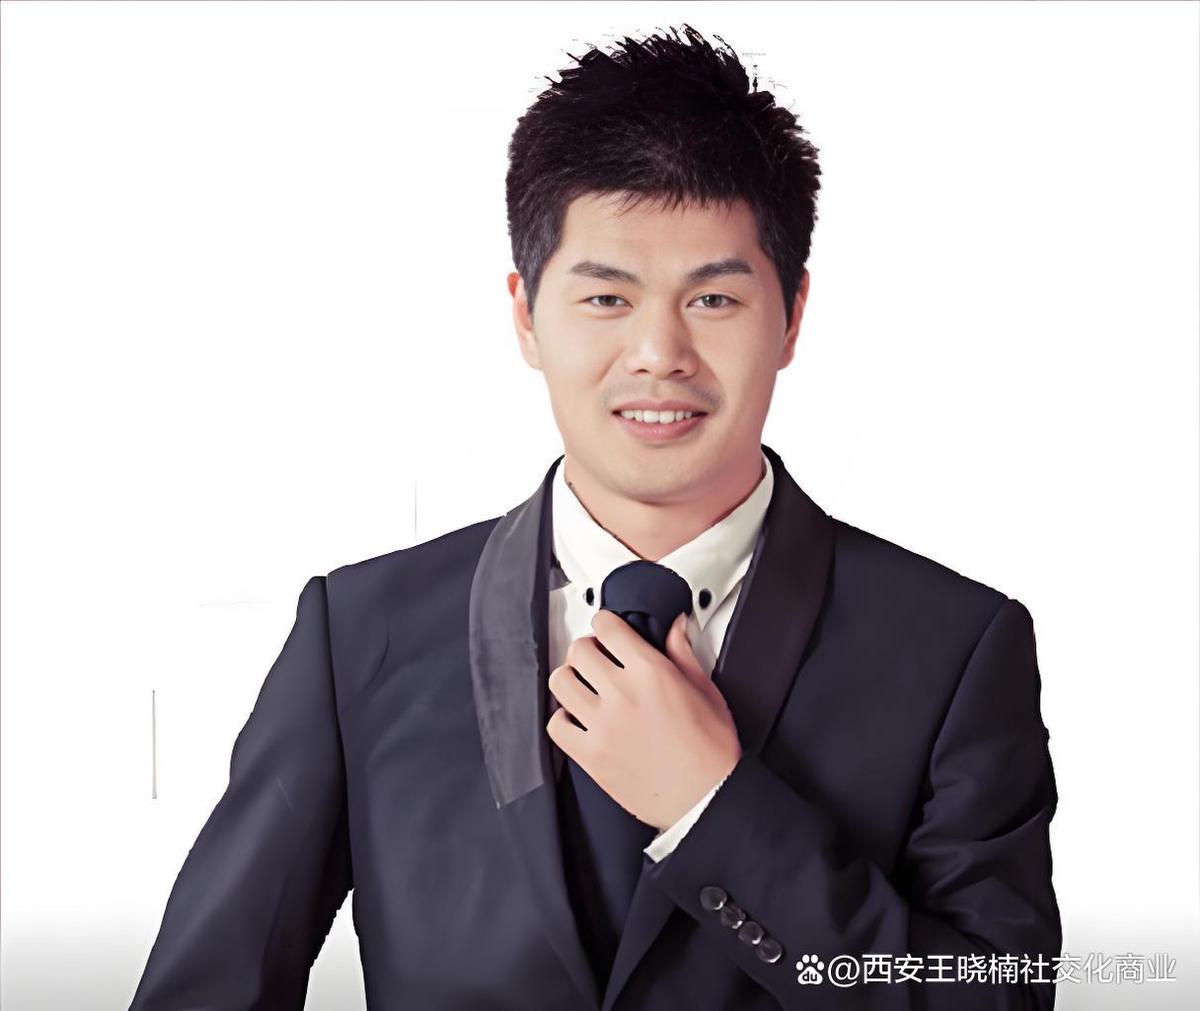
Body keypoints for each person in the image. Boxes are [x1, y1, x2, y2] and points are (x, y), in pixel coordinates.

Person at [128, 23, 1061, 1011]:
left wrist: (714, 812)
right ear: (525, 314)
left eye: (713, 299)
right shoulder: (361, 636)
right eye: (608, 298)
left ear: (792, 314)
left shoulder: (956, 648)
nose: (659, 353)